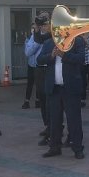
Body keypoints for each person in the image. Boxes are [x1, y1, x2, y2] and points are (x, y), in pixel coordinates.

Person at [37, 20, 86, 160]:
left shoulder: (77, 41)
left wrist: (65, 55)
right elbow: (39, 59)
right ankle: (54, 147)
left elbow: (81, 58)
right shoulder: (48, 43)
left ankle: (77, 148)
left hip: (71, 88)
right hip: (54, 88)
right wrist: (51, 56)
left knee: (74, 120)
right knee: (54, 120)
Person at [28, 13, 52, 144]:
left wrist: (39, 35)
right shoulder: (36, 36)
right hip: (38, 69)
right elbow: (28, 51)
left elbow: (44, 39)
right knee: (42, 100)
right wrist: (37, 32)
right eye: (41, 23)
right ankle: (48, 126)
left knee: (50, 101)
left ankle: (53, 129)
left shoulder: (53, 34)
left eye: (45, 23)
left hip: (49, 69)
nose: (43, 26)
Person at [22, 23, 39, 109]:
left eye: (34, 28)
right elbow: (27, 52)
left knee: (38, 84)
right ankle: (27, 101)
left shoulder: (40, 38)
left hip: (38, 65)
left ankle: (38, 100)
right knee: (30, 83)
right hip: (31, 64)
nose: (33, 29)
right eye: (32, 28)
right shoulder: (28, 39)